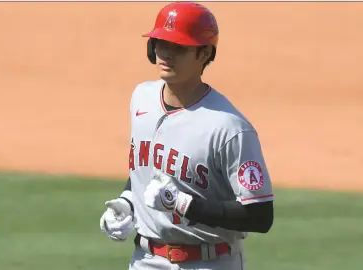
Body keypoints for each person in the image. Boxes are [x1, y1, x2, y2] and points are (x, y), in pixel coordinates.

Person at [100, 2, 274, 270]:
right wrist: (127, 201)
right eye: (160, 43)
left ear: (204, 53)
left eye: (178, 47)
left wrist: (184, 204)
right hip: (145, 259)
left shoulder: (229, 127)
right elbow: (147, 168)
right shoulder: (141, 98)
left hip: (210, 262)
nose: (165, 54)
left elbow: (260, 216)